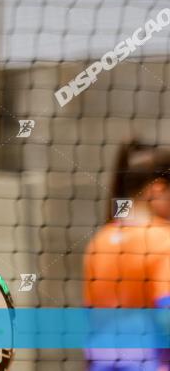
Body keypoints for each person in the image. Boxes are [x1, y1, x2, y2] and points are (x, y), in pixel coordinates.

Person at [83, 140, 170, 371]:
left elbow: (90, 316)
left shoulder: (99, 240)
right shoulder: (163, 239)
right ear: (157, 190)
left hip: (101, 361)